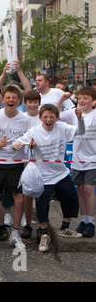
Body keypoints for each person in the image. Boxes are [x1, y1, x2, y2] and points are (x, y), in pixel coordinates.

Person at [14, 104, 85, 252]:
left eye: (51, 117)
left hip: (60, 173)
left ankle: (65, 227)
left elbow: (80, 131)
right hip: (43, 176)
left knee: (71, 198)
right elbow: (17, 143)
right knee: (42, 205)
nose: (48, 120)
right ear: (40, 118)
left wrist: (80, 119)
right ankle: (43, 234)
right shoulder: (34, 131)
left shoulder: (62, 127)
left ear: (57, 118)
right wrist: (23, 145)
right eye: (45, 117)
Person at [0, 85, 31, 252]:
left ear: (18, 100)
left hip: (16, 163)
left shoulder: (25, 119)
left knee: (20, 199)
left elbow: (29, 139)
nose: (11, 100)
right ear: (2, 100)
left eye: (14, 98)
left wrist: (23, 144)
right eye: (7, 97)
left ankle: (15, 234)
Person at [57, 87, 96, 238]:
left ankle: (91, 222)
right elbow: (56, 114)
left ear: (92, 100)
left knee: (89, 189)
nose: (82, 101)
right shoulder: (73, 113)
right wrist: (62, 99)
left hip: (93, 158)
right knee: (80, 190)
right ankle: (84, 220)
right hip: (77, 159)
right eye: (80, 98)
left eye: (86, 98)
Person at [21, 90, 42, 239]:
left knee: (41, 195)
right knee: (27, 195)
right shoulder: (22, 118)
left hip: (43, 162)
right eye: (30, 102)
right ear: (25, 103)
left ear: (39, 103)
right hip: (25, 161)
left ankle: (41, 225)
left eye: (35, 102)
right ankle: (27, 225)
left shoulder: (43, 118)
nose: (33, 105)